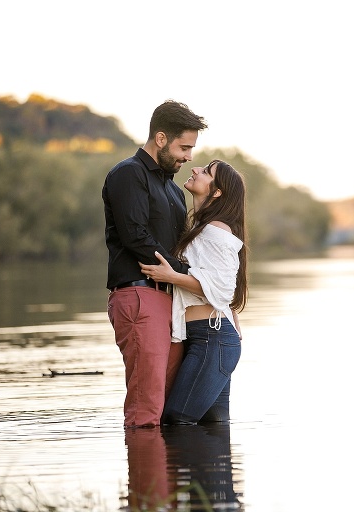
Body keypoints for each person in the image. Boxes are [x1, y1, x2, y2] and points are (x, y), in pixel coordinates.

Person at [103, 100, 207, 427]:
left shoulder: (174, 191)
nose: (188, 157)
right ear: (161, 138)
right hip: (140, 296)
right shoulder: (128, 174)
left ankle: (166, 461)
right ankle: (143, 461)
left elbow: (186, 244)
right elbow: (135, 236)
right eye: (184, 147)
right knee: (146, 407)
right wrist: (188, 274)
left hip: (172, 299)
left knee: (168, 406)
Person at [140, 159, 248, 425]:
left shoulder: (216, 231)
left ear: (217, 191)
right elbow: (221, 282)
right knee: (214, 427)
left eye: (206, 172)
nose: (195, 170)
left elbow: (222, 289)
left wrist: (171, 277)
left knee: (177, 421)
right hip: (209, 337)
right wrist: (230, 313)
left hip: (212, 338)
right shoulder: (203, 229)